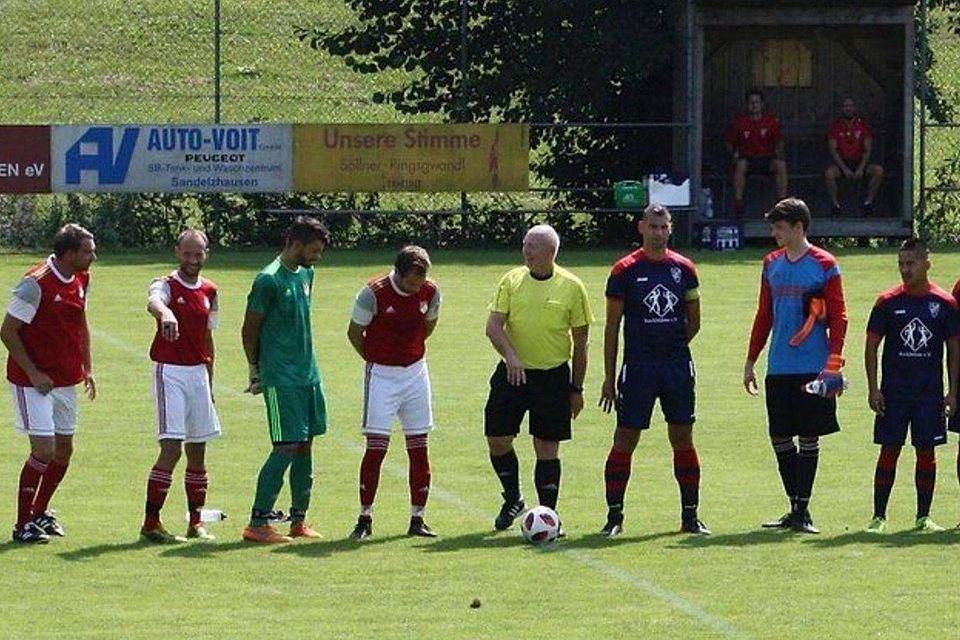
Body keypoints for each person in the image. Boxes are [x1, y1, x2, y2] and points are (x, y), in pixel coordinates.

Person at [598, 204, 709, 537]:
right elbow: (612, 326)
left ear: (670, 228)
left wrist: (672, 345)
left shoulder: (684, 268)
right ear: (641, 227)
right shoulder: (624, 270)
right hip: (639, 368)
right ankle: (614, 517)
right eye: (653, 226)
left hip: (676, 367)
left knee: (682, 437)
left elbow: (695, 320)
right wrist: (608, 377)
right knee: (626, 437)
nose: (659, 233)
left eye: (664, 227)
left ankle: (690, 516)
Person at [743, 198, 848, 534]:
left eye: (779, 227)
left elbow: (840, 317)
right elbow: (764, 315)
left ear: (799, 228)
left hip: (813, 367)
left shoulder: (825, 264)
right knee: (779, 436)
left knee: (809, 436)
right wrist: (751, 360)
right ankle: (795, 507)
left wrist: (832, 364)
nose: (774, 232)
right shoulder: (770, 263)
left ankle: (802, 510)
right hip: (780, 365)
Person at [484, 224, 593, 534]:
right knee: (497, 439)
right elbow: (493, 327)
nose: (526, 251)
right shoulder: (511, 280)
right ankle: (514, 498)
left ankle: (549, 517)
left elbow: (581, 343)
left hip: (553, 378)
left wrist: (576, 388)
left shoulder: (572, 287)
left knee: (547, 447)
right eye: (525, 244)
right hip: (513, 375)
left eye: (532, 246)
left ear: (550, 253)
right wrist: (511, 356)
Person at [1, 224, 97, 544]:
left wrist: (87, 366)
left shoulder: (82, 277)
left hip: (65, 380)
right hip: (33, 382)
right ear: (69, 254)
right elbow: (8, 330)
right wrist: (32, 372)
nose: (93, 256)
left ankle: (40, 511)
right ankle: (22, 523)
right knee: (43, 449)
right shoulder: (36, 283)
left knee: (64, 450)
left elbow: (80, 320)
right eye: (87, 251)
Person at [241, 216, 331, 544]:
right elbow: (249, 330)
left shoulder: (307, 273)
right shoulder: (268, 280)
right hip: (281, 379)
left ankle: (298, 520)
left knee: (306, 445)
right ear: (295, 244)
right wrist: (256, 370)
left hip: (309, 375)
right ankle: (258, 522)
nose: (317, 257)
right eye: (313, 250)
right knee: (285, 446)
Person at [346, 246, 442, 540]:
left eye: (421, 280)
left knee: (419, 446)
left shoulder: (430, 291)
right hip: (382, 375)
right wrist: (378, 358)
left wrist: (409, 353)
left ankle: (418, 518)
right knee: (376, 447)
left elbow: (429, 324)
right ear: (398, 273)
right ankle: (365, 517)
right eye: (412, 281)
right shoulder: (373, 293)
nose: (417, 287)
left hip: (416, 372)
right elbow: (354, 333)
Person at [864, 239, 958, 534]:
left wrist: (953, 392)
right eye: (901, 264)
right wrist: (873, 388)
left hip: (929, 393)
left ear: (926, 264)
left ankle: (923, 517)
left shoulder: (945, 304)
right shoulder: (887, 302)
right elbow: (871, 347)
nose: (905, 269)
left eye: (911, 263)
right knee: (889, 449)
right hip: (893, 392)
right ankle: (878, 517)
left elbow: (954, 350)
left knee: (926, 451)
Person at [140, 229, 221, 544]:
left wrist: (210, 383)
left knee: (198, 451)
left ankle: (195, 523)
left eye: (198, 254)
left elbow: (208, 337)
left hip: (198, 374)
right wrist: (167, 314)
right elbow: (154, 301)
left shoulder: (211, 290)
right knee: (172, 448)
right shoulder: (166, 284)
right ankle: (151, 522)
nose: (192, 260)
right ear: (177, 252)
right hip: (170, 372)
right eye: (187, 253)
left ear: (206, 254)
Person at [726, 89, 788, 218]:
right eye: (751, 102)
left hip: (767, 158)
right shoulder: (739, 122)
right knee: (740, 165)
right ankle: (739, 204)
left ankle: (783, 204)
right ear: (747, 105)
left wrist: (779, 152)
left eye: (756, 102)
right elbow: (730, 143)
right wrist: (734, 153)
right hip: (747, 159)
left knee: (781, 165)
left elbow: (779, 141)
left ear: (762, 104)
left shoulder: (771, 121)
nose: (754, 105)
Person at [825, 97, 885, 217]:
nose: (848, 109)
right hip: (842, 163)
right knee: (829, 173)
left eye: (851, 106)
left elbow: (868, 149)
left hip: (860, 162)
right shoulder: (836, 126)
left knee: (878, 171)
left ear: (855, 108)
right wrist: (844, 169)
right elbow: (833, 150)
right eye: (846, 106)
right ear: (842, 109)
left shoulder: (863, 125)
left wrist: (861, 168)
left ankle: (868, 203)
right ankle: (836, 206)